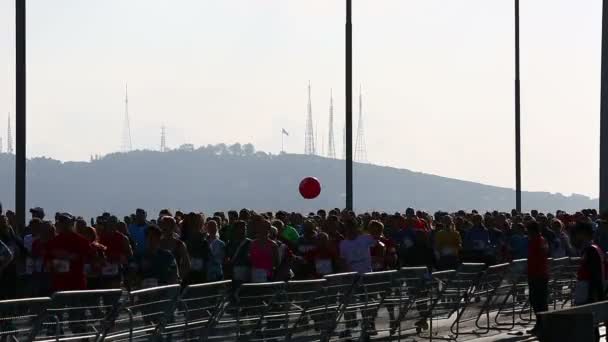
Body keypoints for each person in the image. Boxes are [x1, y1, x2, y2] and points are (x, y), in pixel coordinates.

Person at [44, 213, 95, 292]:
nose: (64, 224)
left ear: (72, 223)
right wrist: (55, 262)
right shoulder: (52, 242)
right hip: (59, 285)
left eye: (66, 222)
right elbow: (47, 263)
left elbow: (91, 258)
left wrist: (70, 256)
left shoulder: (82, 241)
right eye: (61, 222)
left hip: (77, 284)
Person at [129, 224, 179, 289]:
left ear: (159, 238)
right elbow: (131, 275)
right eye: (147, 236)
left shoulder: (168, 256)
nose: (150, 239)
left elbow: (174, 275)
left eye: (153, 236)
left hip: (163, 293)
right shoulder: (138, 256)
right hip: (144, 293)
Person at [526, 221, 549, 336]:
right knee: (537, 301)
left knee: (538, 301)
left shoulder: (537, 241)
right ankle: (541, 324)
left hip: (538, 275)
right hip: (538, 274)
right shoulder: (541, 240)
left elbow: (537, 258)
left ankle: (542, 325)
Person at [182, 213, 211, 285]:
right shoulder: (182, 240)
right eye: (192, 223)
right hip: (186, 276)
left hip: (200, 276)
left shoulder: (204, 241)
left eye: (195, 223)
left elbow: (207, 260)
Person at [159, 216, 190, 281]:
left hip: (174, 280)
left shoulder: (179, 244)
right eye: (163, 225)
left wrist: (180, 278)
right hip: (160, 280)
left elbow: (186, 264)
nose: (164, 227)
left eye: (167, 224)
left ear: (172, 227)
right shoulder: (158, 243)